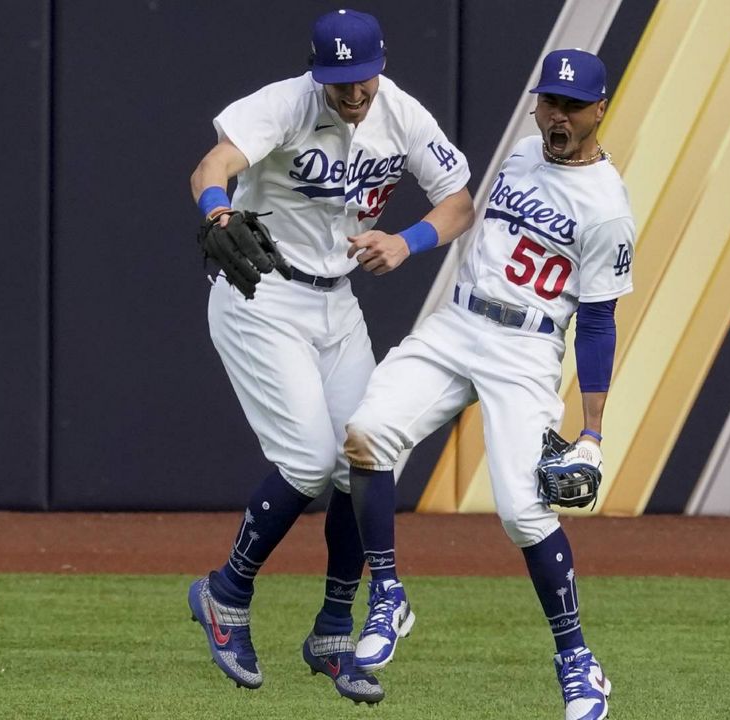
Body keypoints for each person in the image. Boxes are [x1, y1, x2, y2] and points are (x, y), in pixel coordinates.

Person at [184, 8, 474, 705]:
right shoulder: (286, 103)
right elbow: (211, 166)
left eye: (361, 78)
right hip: (263, 290)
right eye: (337, 79)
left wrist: (408, 242)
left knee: (366, 455)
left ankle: (334, 630)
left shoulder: (400, 113)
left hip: (335, 301)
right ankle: (226, 592)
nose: (351, 93)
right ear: (319, 71)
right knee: (311, 461)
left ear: (380, 64)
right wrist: (221, 213)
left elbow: (458, 202)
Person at [343, 49, 632, 720]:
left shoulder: (608, 209)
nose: (556, 116)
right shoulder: (524, 154)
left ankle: (579, 664)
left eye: (570, 106)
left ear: (599, 111)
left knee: (524, 513)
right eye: (548, 102)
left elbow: (597, 323)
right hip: (458, 324)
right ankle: (387, 593)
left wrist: (591, 431)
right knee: (364, 437)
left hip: (525, 349)